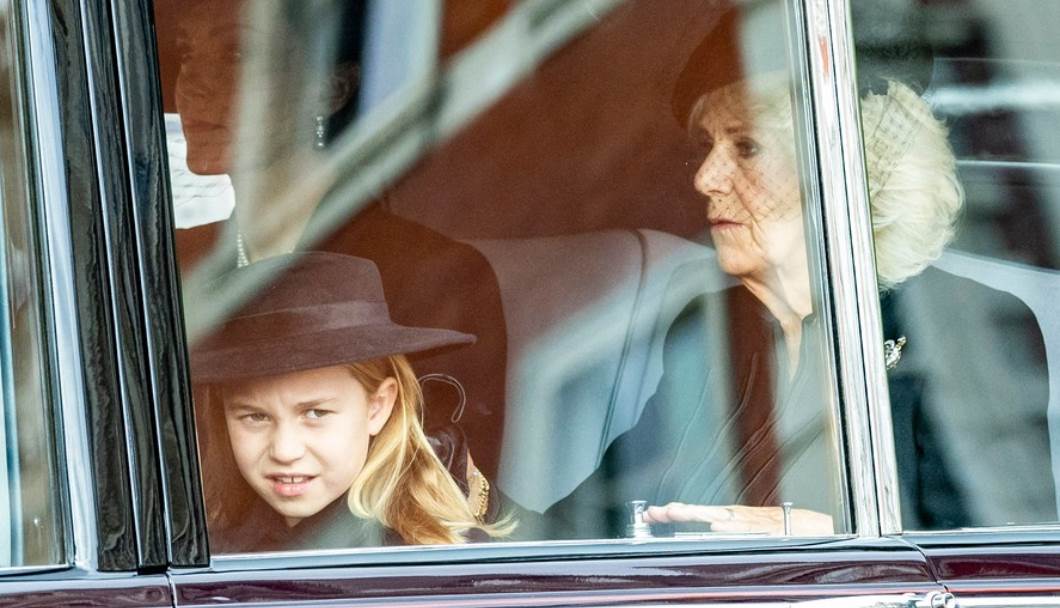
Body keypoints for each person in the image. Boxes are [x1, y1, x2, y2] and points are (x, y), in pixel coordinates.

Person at [529, 15, 973, 538]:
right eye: (706, 148)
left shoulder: (936, 326)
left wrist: (819, 535)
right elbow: (585, 514)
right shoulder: (714, 350)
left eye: (746, 148)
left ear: (845, 169)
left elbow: (989, 541)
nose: (705, 178)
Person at [190, 252, 511, 552]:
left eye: (316, 413)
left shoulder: (429, 558)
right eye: (256, 417)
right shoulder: (202, 541)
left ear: (378, 406)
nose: (285, 451)